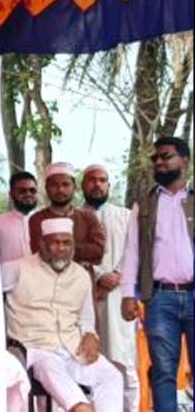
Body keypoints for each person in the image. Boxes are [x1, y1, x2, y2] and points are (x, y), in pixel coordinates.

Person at [4, 218, 123, 412]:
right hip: (35, 348)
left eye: (67, 243)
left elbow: (86, 319)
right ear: (42, 244)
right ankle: (80, 407)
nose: (61, 248)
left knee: (112, 377)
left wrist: (90, 335)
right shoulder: (17, 269)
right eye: (55, 242)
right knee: (50, 368)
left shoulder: (81, 275)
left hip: (72, 349)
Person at [121, 136, 193, 411]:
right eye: (156, 158)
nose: (159, 162)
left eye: (166, 156)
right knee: (163, 371)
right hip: (160, 298)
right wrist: (128, 294)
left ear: (184, 160)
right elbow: (133, 251)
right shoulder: (145, 204)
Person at [81, 164, 139, 411]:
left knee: (123, 360)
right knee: (87, 362)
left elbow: (135, 251)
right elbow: (70, 253)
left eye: (102, 180)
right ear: (83, 184)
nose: (97, 184)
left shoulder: (126, 216)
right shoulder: (73, 217)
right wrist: (98, 276)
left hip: (119, 298)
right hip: (86, 296)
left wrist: (116, 275)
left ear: (109, 185)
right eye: (91, 180)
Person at [29, 162, 106, 272]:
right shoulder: (36, 219)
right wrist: (82, 252)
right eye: (54, 185)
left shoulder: (88, 218)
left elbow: (98, 252)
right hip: (46, 279)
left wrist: (54, 247)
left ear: (74, 187)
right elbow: (40, 254)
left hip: (83, 280)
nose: (60, 189)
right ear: (46, 188)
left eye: (65, 184)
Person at [0, 171, 38, 264]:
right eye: (22, 191)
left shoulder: (42, 221)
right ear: (11, 194)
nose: (28, 194)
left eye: (32, 190)